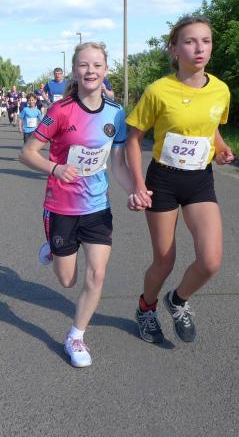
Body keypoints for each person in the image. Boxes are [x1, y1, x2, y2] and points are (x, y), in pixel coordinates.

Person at [19, 42, 147, 368]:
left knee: (97, 274)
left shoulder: (116, 113)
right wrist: (55, 168)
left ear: (106, 70)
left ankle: (76, 335)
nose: (91, 70)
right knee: (67, 281)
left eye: (97, 65)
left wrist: (136, 190)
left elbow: (117, 164)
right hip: (61, 207)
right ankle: (53, 248)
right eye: (84, 65)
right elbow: (27, 153)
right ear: (75, 71)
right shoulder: (60, 111)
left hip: (97, 206)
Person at [125, 15, 235, 345]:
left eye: (206, 41)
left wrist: (221, 148)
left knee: (210, 261)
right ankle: (146, 308)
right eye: (190, 41)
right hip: (163, 180)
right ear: (174, 49)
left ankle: (177, 300)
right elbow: (133, 139)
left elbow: (210, 127)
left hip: (200, 179)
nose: (199, 48)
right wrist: (138, 184)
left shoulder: (220, 90)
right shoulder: (158, 91)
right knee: (164, 260)